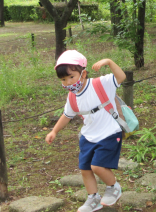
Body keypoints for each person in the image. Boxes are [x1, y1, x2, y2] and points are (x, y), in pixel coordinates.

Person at [46, 50, 126, 212]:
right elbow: (66, 115)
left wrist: (109, 62)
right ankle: (93, 198)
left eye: (71, 77)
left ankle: (113, 187)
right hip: (88, 136)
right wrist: (54, 131)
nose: (68, 82)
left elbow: (121, 77)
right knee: (85, 169)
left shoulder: (100, 84)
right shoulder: (72, 97)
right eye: (63, 79)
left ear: (83, 74)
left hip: (109, 133)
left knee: (97, 166)